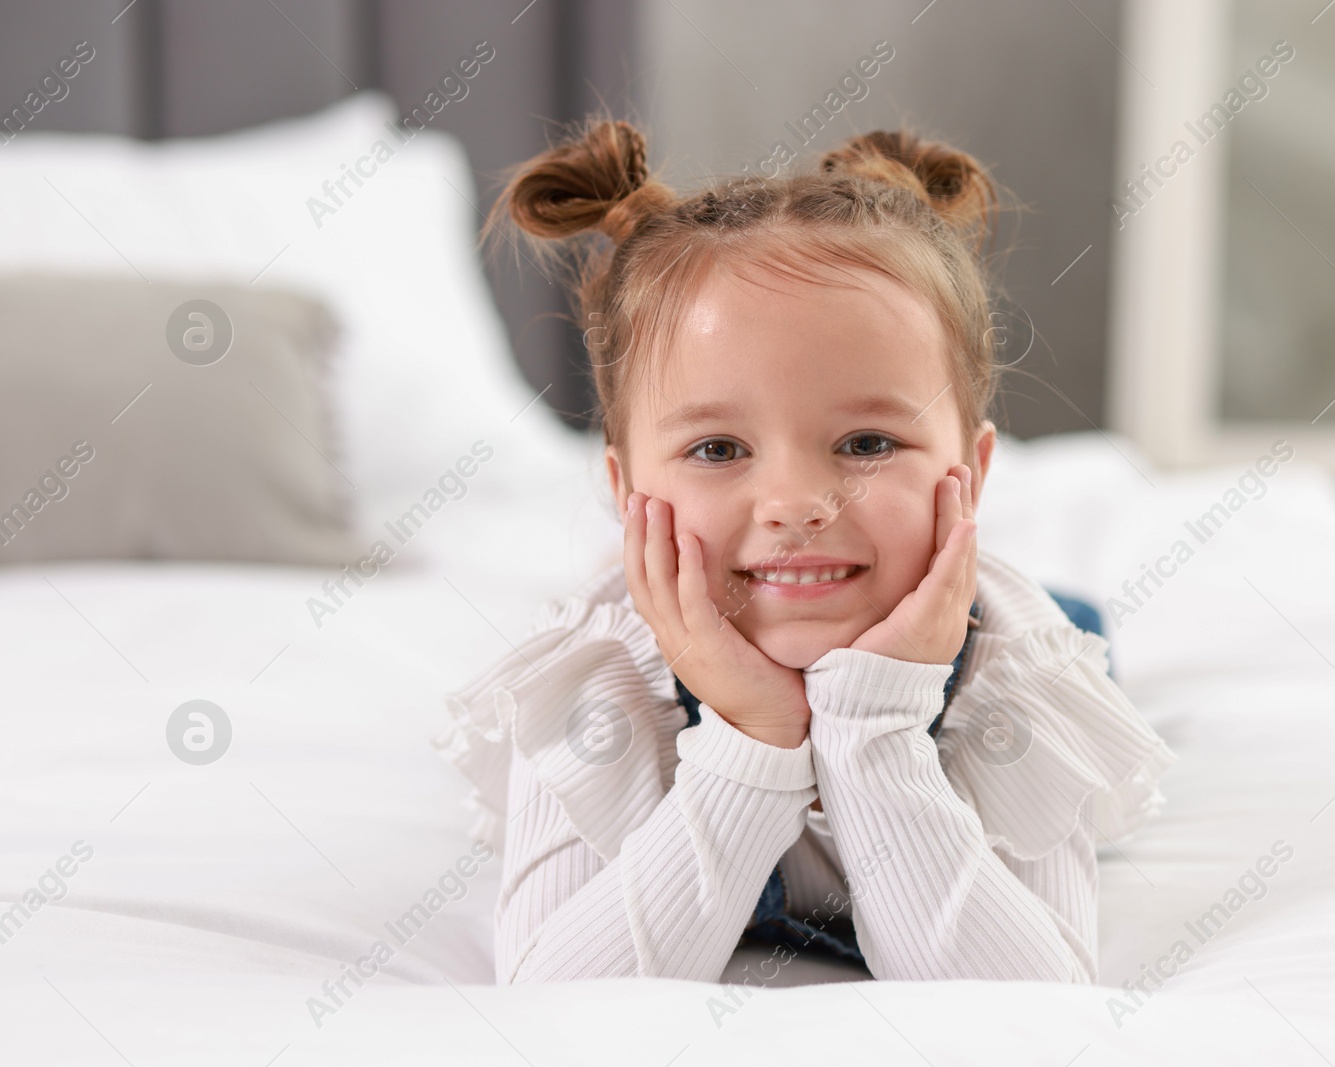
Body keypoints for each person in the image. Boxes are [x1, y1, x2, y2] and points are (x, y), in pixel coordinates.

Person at [433, 116, 1177, 985]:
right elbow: (556, 1002)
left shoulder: (1015, 678)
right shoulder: (601, 683)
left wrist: (875, 722)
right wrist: (751, 737)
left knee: (1079, 625)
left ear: (969, 474)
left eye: (866, 442)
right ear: (625, 487)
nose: (794, 505)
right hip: (698, 618)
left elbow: (1029, 1007)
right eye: (717, 449)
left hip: (972, 620)